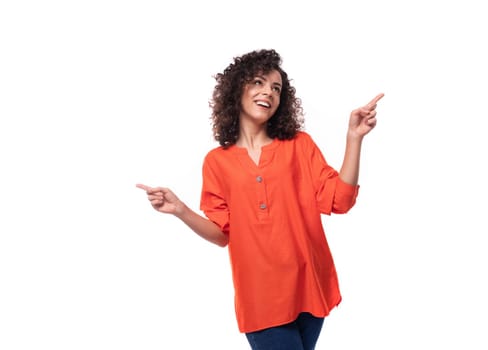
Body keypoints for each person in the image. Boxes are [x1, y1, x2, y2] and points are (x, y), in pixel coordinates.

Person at [137, 48, 384, 350]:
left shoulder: (299, 146)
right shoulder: (216, 162)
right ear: (237, 89)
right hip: (261, 299)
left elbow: (341, 200)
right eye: (258, 82)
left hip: (309, 289)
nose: (268, 92)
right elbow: (222, 234)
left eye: (276, 88)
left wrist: (353, 138)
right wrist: (180, 210)